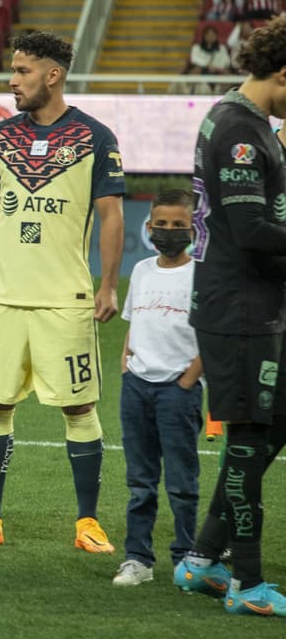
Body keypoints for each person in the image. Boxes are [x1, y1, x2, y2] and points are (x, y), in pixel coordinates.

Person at [0, 31, 125, 553]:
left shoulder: (95, 138)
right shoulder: (0, 137)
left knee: (79, 409)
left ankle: (88, 522)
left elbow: (111, 216)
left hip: (65, 300)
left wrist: (108, 283)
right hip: (3, 297)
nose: (13, 80)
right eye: (13, 70)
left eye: (23, 71)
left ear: (53, 74)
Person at [173, 19, 286, 614]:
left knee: (265, 427)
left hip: (248, 302)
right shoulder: (242, 130)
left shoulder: (239, 118)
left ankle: (202, 561)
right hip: (239, 306)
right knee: (246, 439)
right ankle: (247, 585)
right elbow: (249, 228)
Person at [112, 188, 202, 587]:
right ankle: (138, 559)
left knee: (182, 484)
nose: (168, 230)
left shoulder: (202, 274)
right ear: (148, 227)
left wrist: (188, 380)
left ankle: (187, 559)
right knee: (140, 482)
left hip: (177, 390)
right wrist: (126, 366)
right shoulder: (142, 270)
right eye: (161, 224)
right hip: (137, 387)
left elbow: (211, 333)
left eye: (178, 224)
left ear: (193, 229)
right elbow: (134, 321)